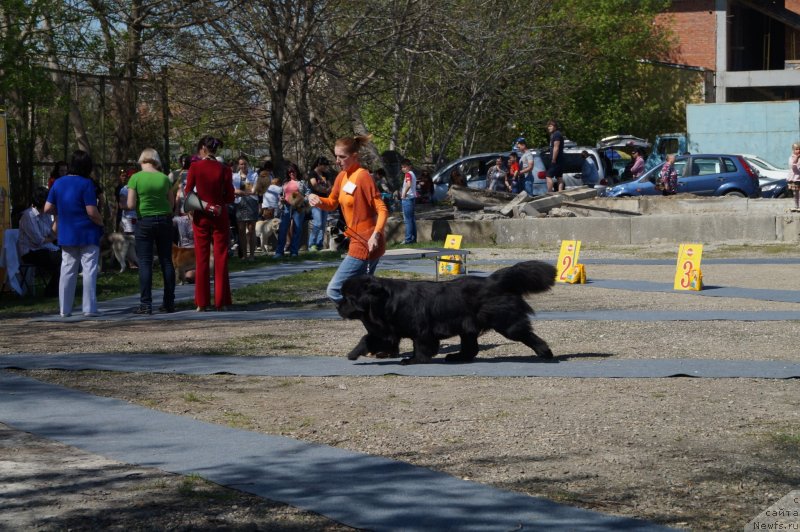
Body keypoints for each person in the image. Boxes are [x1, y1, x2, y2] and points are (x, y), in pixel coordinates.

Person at [307, 134, 389, 302]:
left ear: (354, 156)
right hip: (356, 240)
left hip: (368, 242)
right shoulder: (341, 177)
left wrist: (376, 234)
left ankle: (365, 315)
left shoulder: (363, 176)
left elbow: (382, 209)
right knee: (364, 292)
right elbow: (331, 203)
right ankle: (377, 321)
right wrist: (316, 200)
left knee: (334, 290)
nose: (337, 160)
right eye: (336, 156)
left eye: (342, 157)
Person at [44, 150, 104, 317]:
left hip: (67, 231)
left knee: (67, 269)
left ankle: (64, 309)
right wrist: (101, 222)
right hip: (87, 231)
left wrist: (63, 211)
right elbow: (92, 211)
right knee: (89, 269)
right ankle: (89, 308)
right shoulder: (87, 184)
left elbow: (47, 208)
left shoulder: (58, 183)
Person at [185, 135, 235, 311]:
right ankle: (221, 301)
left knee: (202, 258)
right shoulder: (225, 169)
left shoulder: (195, 167)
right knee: (221, 257)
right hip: (220, 214)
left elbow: (188, 192)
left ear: (203, 149)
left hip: (201, 215)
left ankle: (201, 302)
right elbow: (230, 196)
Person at [126, 148, 176, 314]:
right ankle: (169, 302)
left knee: (145, 262)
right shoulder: (164, 178)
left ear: (142, 161)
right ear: (156, 161)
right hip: (164, 220)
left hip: (145, 221)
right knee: (166, 261)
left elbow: (131, 204)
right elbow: (171, 203)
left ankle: (146, 304)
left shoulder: (135, 178)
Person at [18, 186, 60, 297]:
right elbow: (38, 240)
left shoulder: (45, 215)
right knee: (60, 260)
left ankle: (55, 290)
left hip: (44, 248)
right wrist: (52, 239)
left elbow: (53, 234)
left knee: (68, 258)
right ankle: (51, 292)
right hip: (31, 252)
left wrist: (56, 218)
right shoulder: (28, 215)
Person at [275, 162, 307, 257]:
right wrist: (280, 198)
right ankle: (279, 252)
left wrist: (301, 200)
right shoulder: (285, 183)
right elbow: (280, 194)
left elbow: (308, 194)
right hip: (286, 207)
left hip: (298, 208)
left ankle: (294, 251)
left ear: (297, 171)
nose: (291, 173)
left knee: (297, 229)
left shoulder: (302, 183)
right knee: (283, 229)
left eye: (293, 171)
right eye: (289, 172)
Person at [233, 156, 259, 259]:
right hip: (239, 203)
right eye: (241, 164)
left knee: (251, 229)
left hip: (251, 202)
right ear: (238, 165)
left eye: (244, 164)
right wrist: (243, 192)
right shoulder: (234, 176)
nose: (243, 166)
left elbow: (254, 190)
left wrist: (241, 192)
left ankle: (252, 254)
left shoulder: (254, 175)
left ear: (247, 164)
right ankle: (244, 255)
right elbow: (233, 190)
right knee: (241, 229)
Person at [307, 156, 333, 251]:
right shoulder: (312, 173)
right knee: (317, 222)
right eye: (324, 165)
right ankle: (311, 244)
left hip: (325, 200)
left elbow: (330, 185)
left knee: (323, 223)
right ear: (319, 164)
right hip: (315, 200)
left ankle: (319, 244)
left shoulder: (325, 174)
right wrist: (324, 189)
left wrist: (327, 189)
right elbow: (314, 185)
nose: (325, 168)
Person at [399, 158, 417, 244]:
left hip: (407, 199)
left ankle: (408, 239)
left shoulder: (408, 174)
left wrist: (404, 194)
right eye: (402, 167)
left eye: (404, 167)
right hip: (412, 198)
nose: (403, 169)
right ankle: (413, 238)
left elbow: (409, 185)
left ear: (409, 167)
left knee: (408, 220)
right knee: (412, 219)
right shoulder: (413, 174)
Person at [545, 121, 564, 192]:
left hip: (556, 160)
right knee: (559, 177)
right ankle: (560, 192)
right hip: (560, 159)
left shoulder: (556, 134)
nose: (548, 127)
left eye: (550, 126)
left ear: (555, 127)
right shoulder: (555, 134)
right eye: (548, 126)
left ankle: (549, 193)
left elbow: (556, 147)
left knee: (548, 176)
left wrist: (553, 159)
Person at [789, 142, 800, 212]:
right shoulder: (791, 158)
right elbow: (793, 168)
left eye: (799, 149)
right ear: (793, 150)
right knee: (795, 193)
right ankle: (796, 206)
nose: (798, 150)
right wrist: (796, 159)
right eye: (796, 149)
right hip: (795, 178)